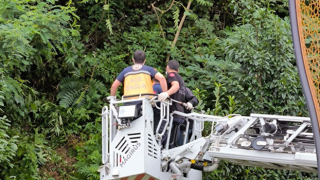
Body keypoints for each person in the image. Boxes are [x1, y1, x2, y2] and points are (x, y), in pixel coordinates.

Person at [158, 60, 198, 147]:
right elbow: (194, 98)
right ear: (178, 70)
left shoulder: (172, 75)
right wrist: (190, 103)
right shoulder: (183, 85)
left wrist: (167, 93)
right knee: (174, 141)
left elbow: (175, 85)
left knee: (169, 141)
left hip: (173, 114)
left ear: (167, 68)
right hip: (179, 116)